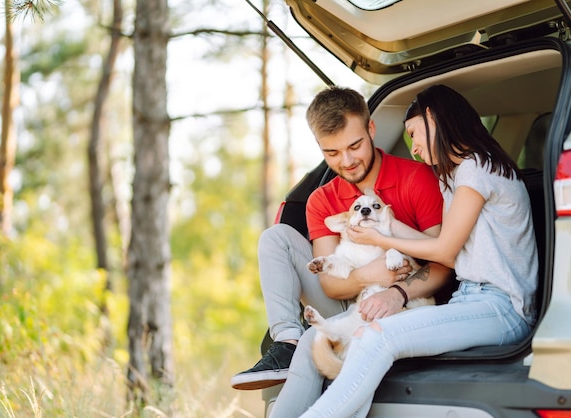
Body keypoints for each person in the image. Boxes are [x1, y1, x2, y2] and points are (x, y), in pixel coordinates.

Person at [295, 84, 539, 417]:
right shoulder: (459, 175)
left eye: (414, 135)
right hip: (472, 300)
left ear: (431, 119)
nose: (415, 150)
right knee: (369, 340)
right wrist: (385, 223)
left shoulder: (476, 168)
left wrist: (381, 241)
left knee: (376, 337)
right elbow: (434, 247)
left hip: (500, 306)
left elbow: (446, 251)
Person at [230, 86, 452, 391]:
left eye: (355, 146)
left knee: (315, 341)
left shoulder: (416, 178)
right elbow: (331, 284)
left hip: (406, 299)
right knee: (275, 237)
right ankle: (286, 342)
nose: (346, 161)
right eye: (331, 153)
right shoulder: (321, 200)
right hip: (345, 298)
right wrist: (368, 276)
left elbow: (443, 263)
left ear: (371, 129)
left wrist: (396, 290)